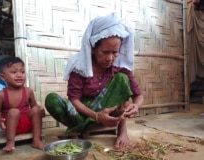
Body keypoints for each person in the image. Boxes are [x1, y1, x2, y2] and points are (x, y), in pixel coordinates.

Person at [45, 12, 144, 150]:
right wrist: (96, 116)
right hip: (84, 114)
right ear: (92, 48)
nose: (110, 58)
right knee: (52, 99)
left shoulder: (120, 68)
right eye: (105, 52)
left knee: (122, 79)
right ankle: (81, 126)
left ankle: (118, 131)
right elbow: (74, 100)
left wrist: (136, 106)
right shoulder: (80, 66)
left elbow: (138, 96)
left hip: (107, 117)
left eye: (115, 52)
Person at [0, 56, 45, 152]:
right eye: (14, 72)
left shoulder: (28, 91)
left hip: (28, 125)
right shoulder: (1, 95)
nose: (19, 75)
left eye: (22, 72)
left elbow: (34, 107)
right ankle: (10, 141)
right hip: (11, 127)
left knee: (36, 109)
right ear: (3, 77)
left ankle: (36, 140)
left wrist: (41, 111)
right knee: (14, 111)